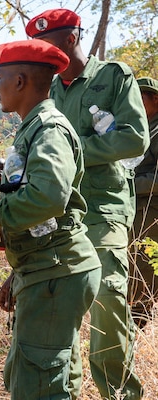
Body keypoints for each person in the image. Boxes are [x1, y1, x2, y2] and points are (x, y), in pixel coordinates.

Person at [25, 8, 149, 400]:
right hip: (62, 216)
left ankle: (120, 395)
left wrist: (74, 150)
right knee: (64, 311)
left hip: (106, 209)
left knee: (108, 305)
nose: (40, 54)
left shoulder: (113, 77)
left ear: (71, 40)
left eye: (46, 45)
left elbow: (134, 139)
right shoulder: (50, 91)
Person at [0, 39, 102, 400]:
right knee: (51, 379)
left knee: (37, 387)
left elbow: (48, 197)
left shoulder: (49, 129)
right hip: (47, 268)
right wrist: (19, 272)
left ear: (20, 81)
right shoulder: (33, 128)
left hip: (57, 271)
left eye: (0, 78)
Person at [128, 77, 158, 328]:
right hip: (139, 210)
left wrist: (130, 183)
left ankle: (140, 323)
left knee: (144, 267)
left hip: (151, 211)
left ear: (155, 99)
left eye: (141, 97)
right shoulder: (141, 130)